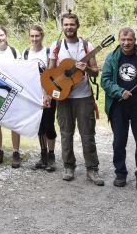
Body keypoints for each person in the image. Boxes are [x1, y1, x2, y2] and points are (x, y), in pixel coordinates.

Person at [100, 27, 137, 191]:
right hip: (118, 105)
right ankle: (120, 173)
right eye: (123, 40)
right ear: (119, 40)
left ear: (135, 40)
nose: (126, 43)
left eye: (130, 40)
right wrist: (119, 91)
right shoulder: (112, 58)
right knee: (119, 141)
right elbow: (104, 80)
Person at [48, 13, 103, 185]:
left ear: (77, 26)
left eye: (72, 24)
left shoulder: (86, 46)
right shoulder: (56, 46)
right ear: (62, 26)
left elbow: (95, 71)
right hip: (64, 97)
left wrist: (86, 68)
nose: (69, 27)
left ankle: (92, 169)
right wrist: (50, 94)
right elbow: (49, 74)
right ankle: (68, 166)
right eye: (66, 24)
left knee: (87, 134)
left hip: (84, 96)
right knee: (66, 134)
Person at [0, 26, 22, 168]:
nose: (0, 38)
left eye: (2, 35)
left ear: (6, 35)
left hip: (12, 93)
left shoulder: (14, 52)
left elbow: (21, 71)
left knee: (14, 124)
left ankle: (15, 152)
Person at [24, 25, 56, 172]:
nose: (34, 39)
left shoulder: (48, 52)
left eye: (37, 36)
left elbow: (52, 74)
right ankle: (42, 156)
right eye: (32, 36)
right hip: (33, 96)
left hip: (48, 94)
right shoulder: (26, 53)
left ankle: (51, 156)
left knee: (49, 124)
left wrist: (48, 94)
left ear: (42, 36)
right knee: (39, 126)